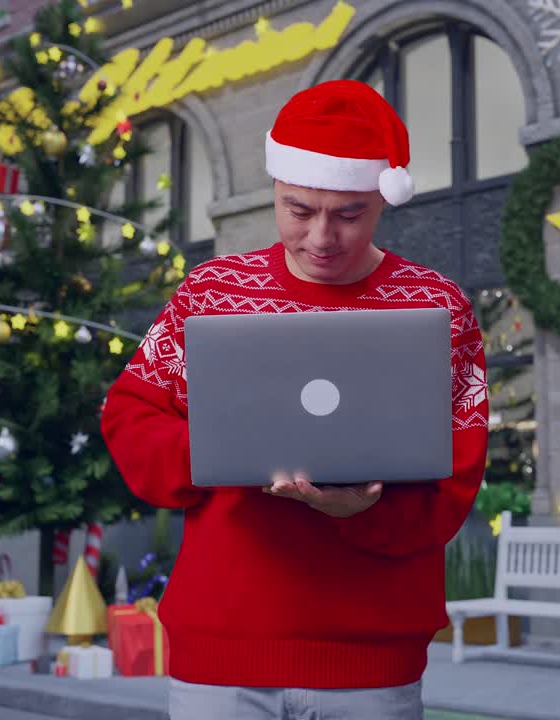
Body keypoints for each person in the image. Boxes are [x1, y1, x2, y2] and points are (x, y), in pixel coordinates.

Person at [101, 79, 489, 720]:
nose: (321, 237)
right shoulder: (213, 290)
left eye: (349, 213)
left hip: (372, 653)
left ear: (382, 202)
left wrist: (361, 511)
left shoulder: (439, 308)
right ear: (275, 192)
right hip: (223, 648)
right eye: (299, 210)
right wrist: (217, 451)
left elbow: (458, 471)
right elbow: (129, 414)